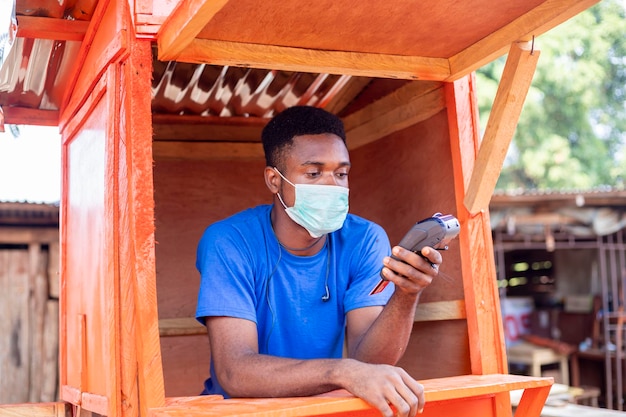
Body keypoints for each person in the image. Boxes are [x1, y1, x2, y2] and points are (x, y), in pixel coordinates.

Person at [195, 106, 442, 417]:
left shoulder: (363, 239)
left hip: (321, 410)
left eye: (341, 173)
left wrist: (407, 295)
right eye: (313, 173)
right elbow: (235, 372)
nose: (332, 186)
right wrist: (340, 372)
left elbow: (369, 363)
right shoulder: (229, 241)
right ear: (274, 180)